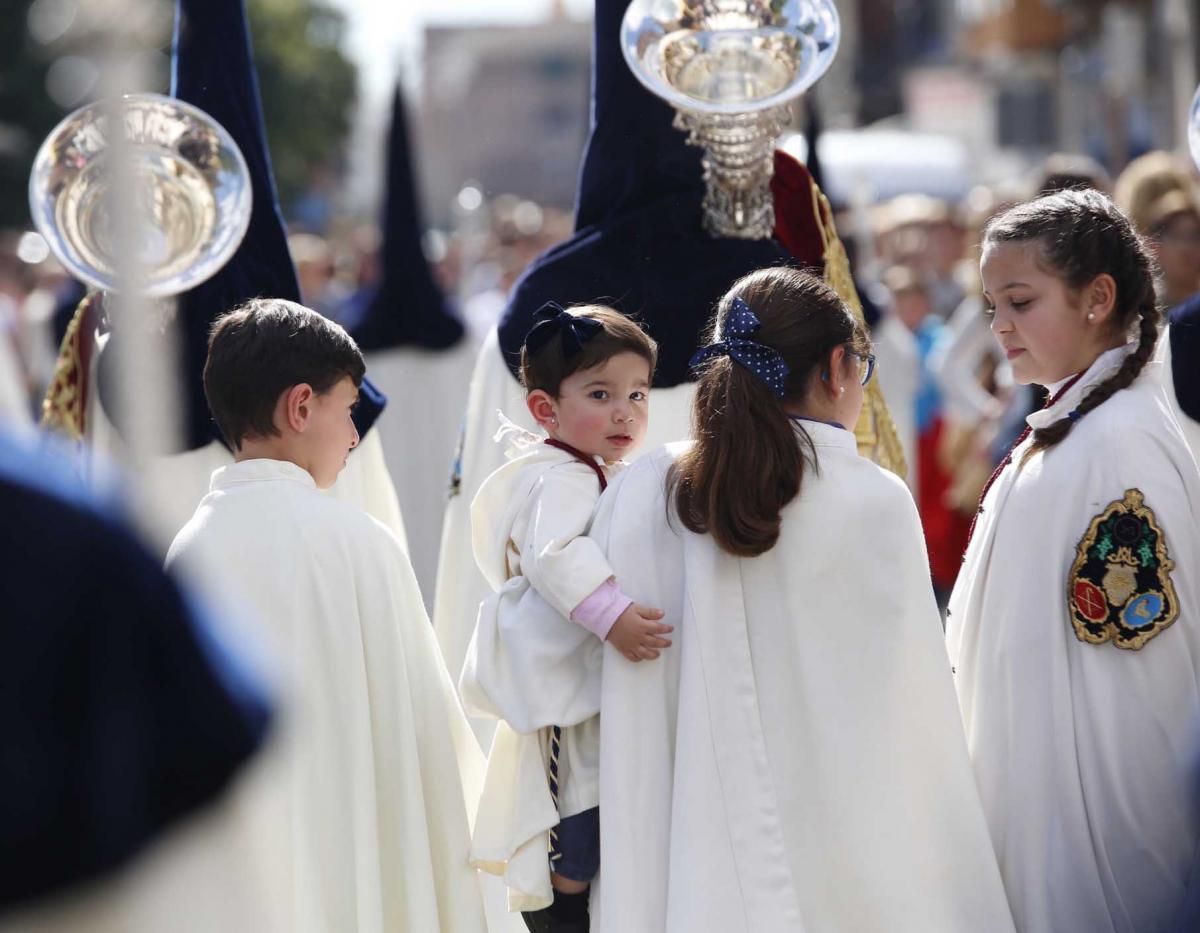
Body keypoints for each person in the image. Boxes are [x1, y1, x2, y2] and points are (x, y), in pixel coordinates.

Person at [588, 267, 1015, 932]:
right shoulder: (874, 502)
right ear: (839, 367)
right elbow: (913, 720)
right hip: (850, 868)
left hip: (684, 865)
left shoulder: (642, 489)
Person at [166, 298, 505, 932]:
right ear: (300, 406)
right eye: (349, 411)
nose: (354, 435)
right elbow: (430, 743)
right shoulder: (361, 543)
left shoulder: (185, 552)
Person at [946, 188, 1200, 933]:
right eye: (993, 304)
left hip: (1097, 838)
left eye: (1020, 301)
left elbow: (1139, 684)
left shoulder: (1119, 442)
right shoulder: (1073, 425)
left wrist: (1097, 858)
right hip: (1038, 793)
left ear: (1097, 298)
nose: (999, 325)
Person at [460, 302, 670, 932]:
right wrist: (614, 614)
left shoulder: (588, 471)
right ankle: (563, 906)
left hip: (574, 677)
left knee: (587, 796)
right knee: (575, 807)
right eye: (601, 394)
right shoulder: (567, 478)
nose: (625, 411)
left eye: (637, 394)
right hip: (566, 680)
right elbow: (557, 555)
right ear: (546, 410)